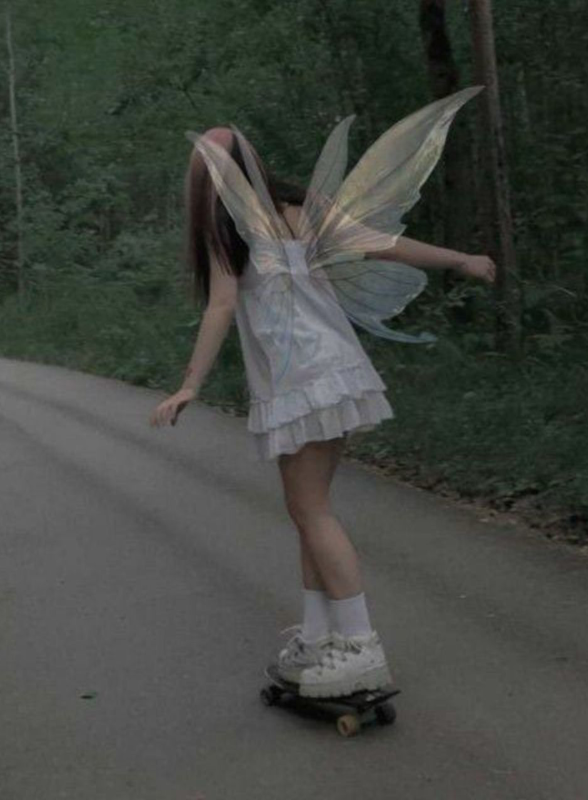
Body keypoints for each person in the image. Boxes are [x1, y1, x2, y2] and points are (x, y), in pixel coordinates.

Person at [149, 94, 496, 698]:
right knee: (306, 510)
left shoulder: (228, 232)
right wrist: (460, 259)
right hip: (333, 372)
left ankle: (361, 647)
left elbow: (222, 305)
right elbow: (379, 241)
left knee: (311, 512)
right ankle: (317, 636)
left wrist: (189, 385)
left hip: (302, 381)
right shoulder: (295, 210)